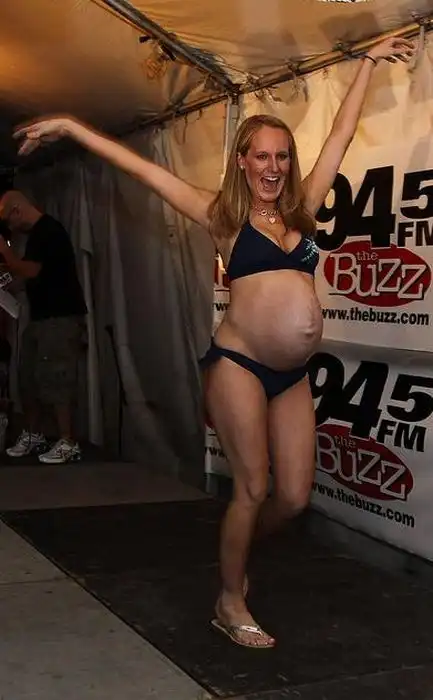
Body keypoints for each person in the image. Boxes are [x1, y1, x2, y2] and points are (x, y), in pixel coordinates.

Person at [13, 35, 413, 645]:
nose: (273, 168)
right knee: (252, 487)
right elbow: (142, 170)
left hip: (292, 375)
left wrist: (363, 65)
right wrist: (72, 127)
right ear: (242, 162)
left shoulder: (303, 211)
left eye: (282, 157)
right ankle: (230, 600)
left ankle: (236, 554)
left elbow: (339, 133)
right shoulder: (221, 216)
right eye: (261, 156)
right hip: (240, 366)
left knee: (294, 497)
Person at [0, 191, 87, 464]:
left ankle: (68, 441)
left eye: (8, 221)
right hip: (40, 317)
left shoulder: (49, 230)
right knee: (29, 377)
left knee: (57, 377)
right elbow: (31, 275)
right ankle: (34, 433)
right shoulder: (37, 235)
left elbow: (31, 270)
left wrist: (5, 251)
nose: (11, 228)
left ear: (17, 210)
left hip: (59, 317)